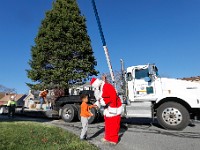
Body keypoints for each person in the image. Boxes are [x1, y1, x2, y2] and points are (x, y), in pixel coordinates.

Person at [90, 77, 122, 144]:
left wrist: (113, 109)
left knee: (114, 125)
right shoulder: (100, 88)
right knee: (108, 125)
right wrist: (96, 105)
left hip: (114, 108)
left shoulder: (107, 86)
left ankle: (113, 139)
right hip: (107, 108)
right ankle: (107, 137)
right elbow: (100, 99)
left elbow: (113, 97)